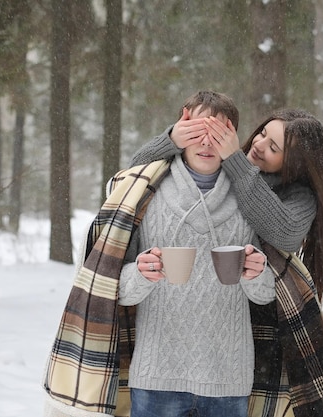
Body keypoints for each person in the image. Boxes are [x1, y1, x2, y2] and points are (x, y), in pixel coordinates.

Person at [42, 91, 276, 417]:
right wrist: (141, 273)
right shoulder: (145, 189)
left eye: (219, 133)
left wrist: (257, 273)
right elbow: (117, 289)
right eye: (198, 130)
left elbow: (265, 296)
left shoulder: (249, 198)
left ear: (234, 138)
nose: (207, 142)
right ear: (182, 123)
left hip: (229, 378)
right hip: (155, 377)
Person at [130, 107, 323, 304]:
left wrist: (234, 160)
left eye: (273, 147)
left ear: (295, 164)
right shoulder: (228, 165)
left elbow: (286, 233)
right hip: (185, 300)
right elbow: (134, 174)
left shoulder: (299, 195)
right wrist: (171, 140)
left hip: (259, 312)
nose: (259, 144)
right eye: (262, 133)